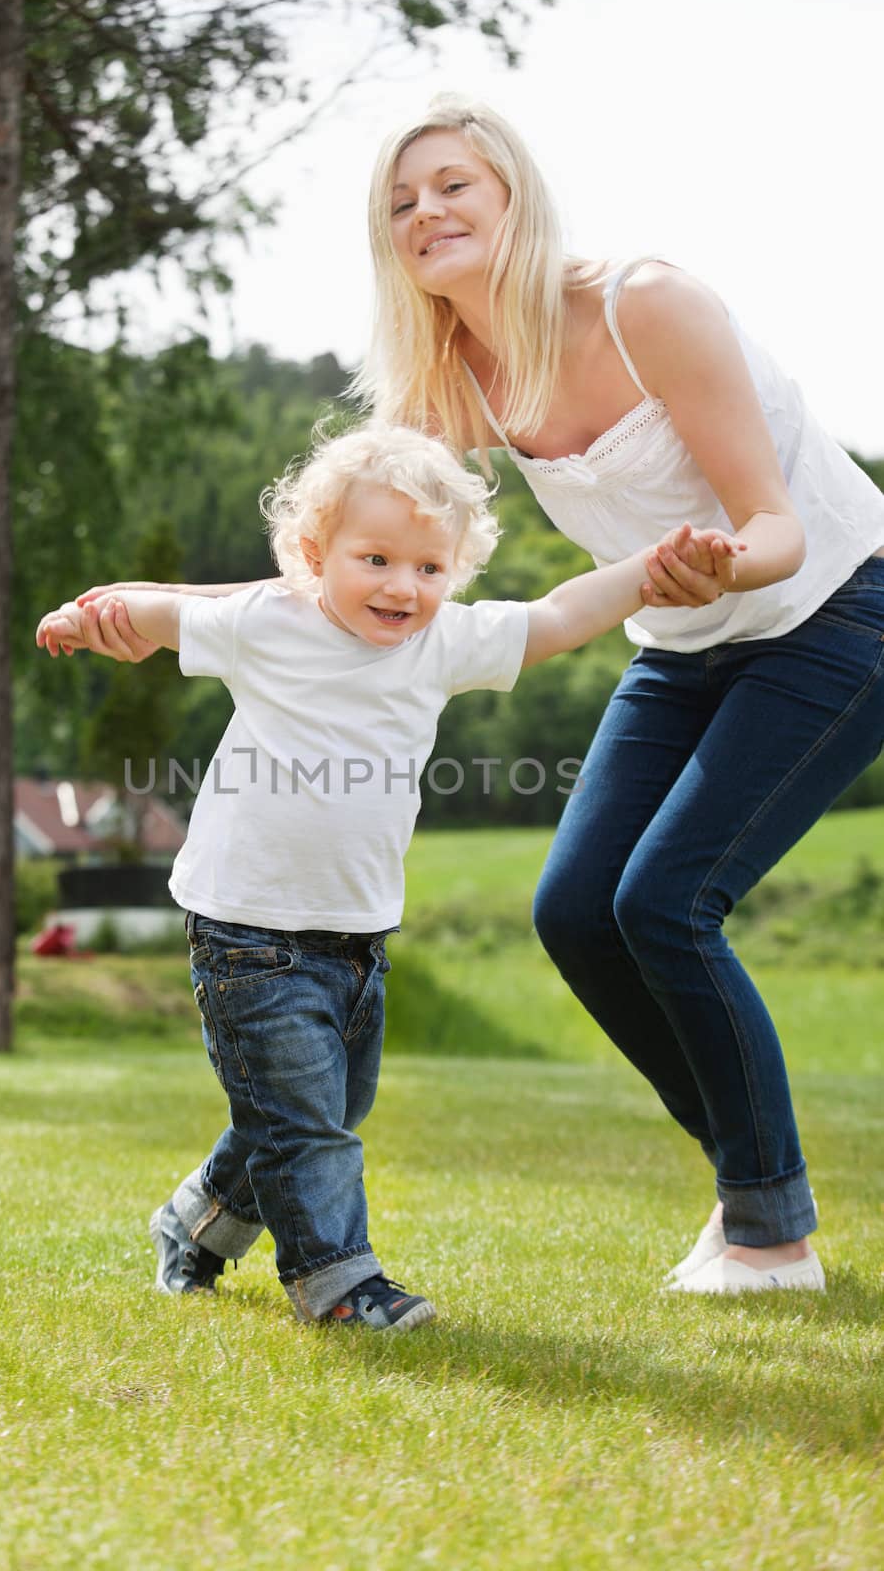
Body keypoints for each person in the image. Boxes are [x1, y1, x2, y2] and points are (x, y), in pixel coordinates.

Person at [347, 94, 884, 1295]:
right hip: (680, 640)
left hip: (834, 610)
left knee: (664, 900)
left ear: (510, 195)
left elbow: (775, 527)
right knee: (575, 910)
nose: (425, 212)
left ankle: (769, 1235)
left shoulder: (644, 305)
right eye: (399, 204)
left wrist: (717, 562)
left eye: (450, 185)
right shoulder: (452, 372)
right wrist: (193, 617)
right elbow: (353, 526)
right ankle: (757, 1192)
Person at [36, 422, 740, 1328]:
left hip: (357, 932)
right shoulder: (265, 624)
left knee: (317, 1107)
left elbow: (561, 615)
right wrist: (90, 618)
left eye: (428, 568)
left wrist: (651, 566)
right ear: (312, 555)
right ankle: (337, 1284)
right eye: (374, 559)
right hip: (247, 930)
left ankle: (194, 1224)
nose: (402, 587)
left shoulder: (441, 644)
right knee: (305, 1126)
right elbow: (160, 609)